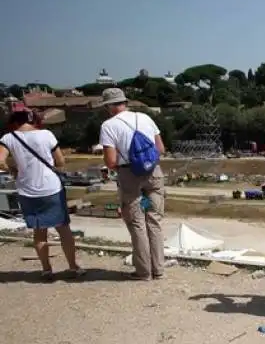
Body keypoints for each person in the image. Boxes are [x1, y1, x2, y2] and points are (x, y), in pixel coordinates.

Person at [0, 109, 83, 279]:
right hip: (51, 187)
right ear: (32, 120)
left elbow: (0, 161)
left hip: (27, 190)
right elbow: (60, 161)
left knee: (39, 233)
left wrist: (14, 170)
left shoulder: (8, 138)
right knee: (63, 229)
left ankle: (46, 270)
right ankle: (73, 267)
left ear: (14, 122)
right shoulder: (46, 134)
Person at [98, 88, 166, 280]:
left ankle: (144, 271)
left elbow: (110, 161)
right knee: (154, 221)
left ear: (109, 106)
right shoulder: (144, 117)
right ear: (124, 102)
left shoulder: (108, 126)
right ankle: (159, 269)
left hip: (129, 174)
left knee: (137, 223)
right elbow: (160, 148)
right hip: (153, 172)